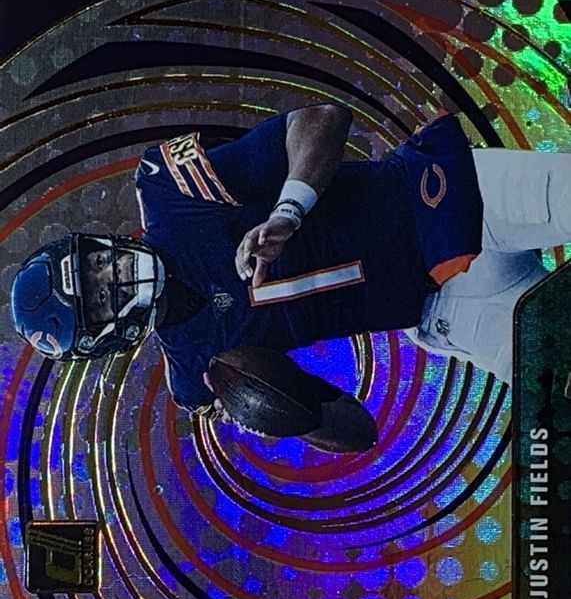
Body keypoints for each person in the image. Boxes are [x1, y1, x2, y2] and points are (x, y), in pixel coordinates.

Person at [11, 105, 570, 449]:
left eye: (96, 264)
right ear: (107, 337)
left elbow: (322, 119)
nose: (112, 274)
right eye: (100, 295)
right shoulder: (197, 375)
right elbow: (358, 430)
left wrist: (288, 211)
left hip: (441, 200)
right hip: (445, 310)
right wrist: (283, 412)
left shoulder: (168, 189)